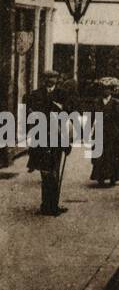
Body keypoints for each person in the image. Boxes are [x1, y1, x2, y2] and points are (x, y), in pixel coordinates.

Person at [24, 71, 70, 216]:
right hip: (42, 138)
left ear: (57, 79)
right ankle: (46, 205)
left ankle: (53, 204)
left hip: (57, 138)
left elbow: (68, 115)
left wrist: (67, 142)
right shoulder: (36, 94)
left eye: (53, 77)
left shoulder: (63, 94)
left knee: (55, 171)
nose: (50, 80)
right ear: (43, 80)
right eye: (48, 78)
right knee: (45, 173)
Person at [89, 80, 119, 186]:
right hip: (99, 130)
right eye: (104, 89)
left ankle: (113, 177)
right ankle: (100, 177)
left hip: (112, 132)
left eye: (108, 89)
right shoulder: (97, 102)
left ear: (111, 90)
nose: (106, 91)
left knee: (113, 154)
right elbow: (92, 116)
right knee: (100, 154)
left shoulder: (116, 102)